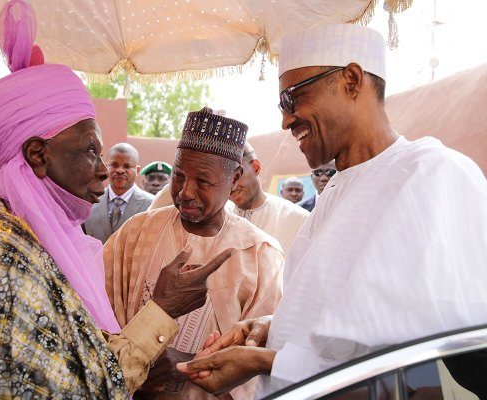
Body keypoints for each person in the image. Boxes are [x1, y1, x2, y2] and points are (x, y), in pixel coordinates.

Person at [0, 2, 232, 397]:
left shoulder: (45, 243)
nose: (104, 170)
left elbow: (78, 363)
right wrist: (162, 310)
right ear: (38, 154)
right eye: (90, 152)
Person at [177, 23, 487, 398]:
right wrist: (271, 328)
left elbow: (422, 354)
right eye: (281, 106)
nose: (285, 120)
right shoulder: (337, 190)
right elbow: (353, 327)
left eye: (292, 99)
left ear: (352, 80)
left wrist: (265, 362)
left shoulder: (432, 172)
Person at [104, 108, 284, 399]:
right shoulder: (136, 232)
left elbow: (260, 361)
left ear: (235, 178)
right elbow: (97, 316)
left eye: (203, 181)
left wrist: (188, 364)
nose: (185, 191)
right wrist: (138, 352)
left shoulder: (261, 255)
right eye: (179, 175)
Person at [228, 142, 308, 253]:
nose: (230, 185)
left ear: (256, 167)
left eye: (236, 175)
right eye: (221, 178)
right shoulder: (218, 217)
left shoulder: (298, 220)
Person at [83, 142, 153, 244]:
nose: (120, 170)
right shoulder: (88, 202)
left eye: (127, 166)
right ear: (106, 167)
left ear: (137, 170)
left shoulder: (151, 205)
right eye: (114, 165)